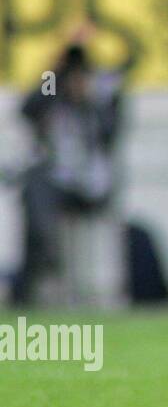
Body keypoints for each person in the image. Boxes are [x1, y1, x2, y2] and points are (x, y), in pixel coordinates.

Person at [15, 39, 124, 306]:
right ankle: (47, 252)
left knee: (36, 192)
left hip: (90, 186)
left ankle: (47, 255)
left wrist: (92, 98)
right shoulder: (53, 101)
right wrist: (53, 71)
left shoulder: (100, 101)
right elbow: (27, 108)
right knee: (35, 185)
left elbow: (111, 132)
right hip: (56, 184)